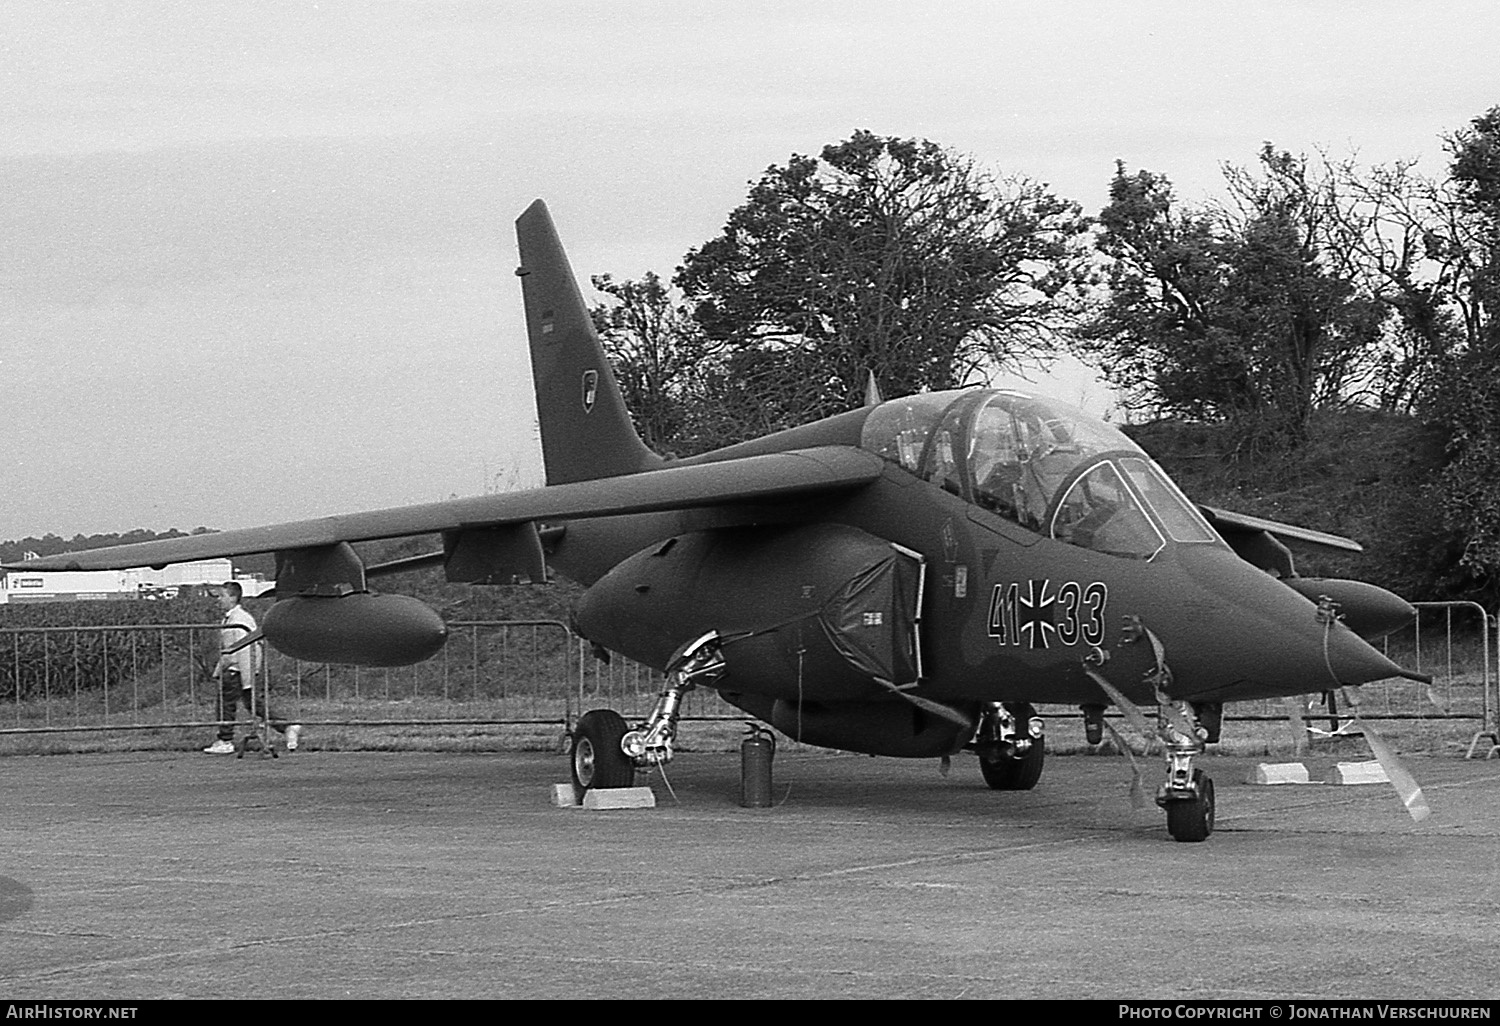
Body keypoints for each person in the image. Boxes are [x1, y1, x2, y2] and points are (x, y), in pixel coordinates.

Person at [203, 582, 302, 753]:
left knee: (225, 704)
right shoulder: (235, 618)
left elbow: (242, 648)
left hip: (237, 670)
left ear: (233, 597)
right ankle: (286, 726)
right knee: (253, 704)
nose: (218, 600)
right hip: (238, 669)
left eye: (222, 596)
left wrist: (245, 677)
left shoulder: (239, 620)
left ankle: (225, 739)